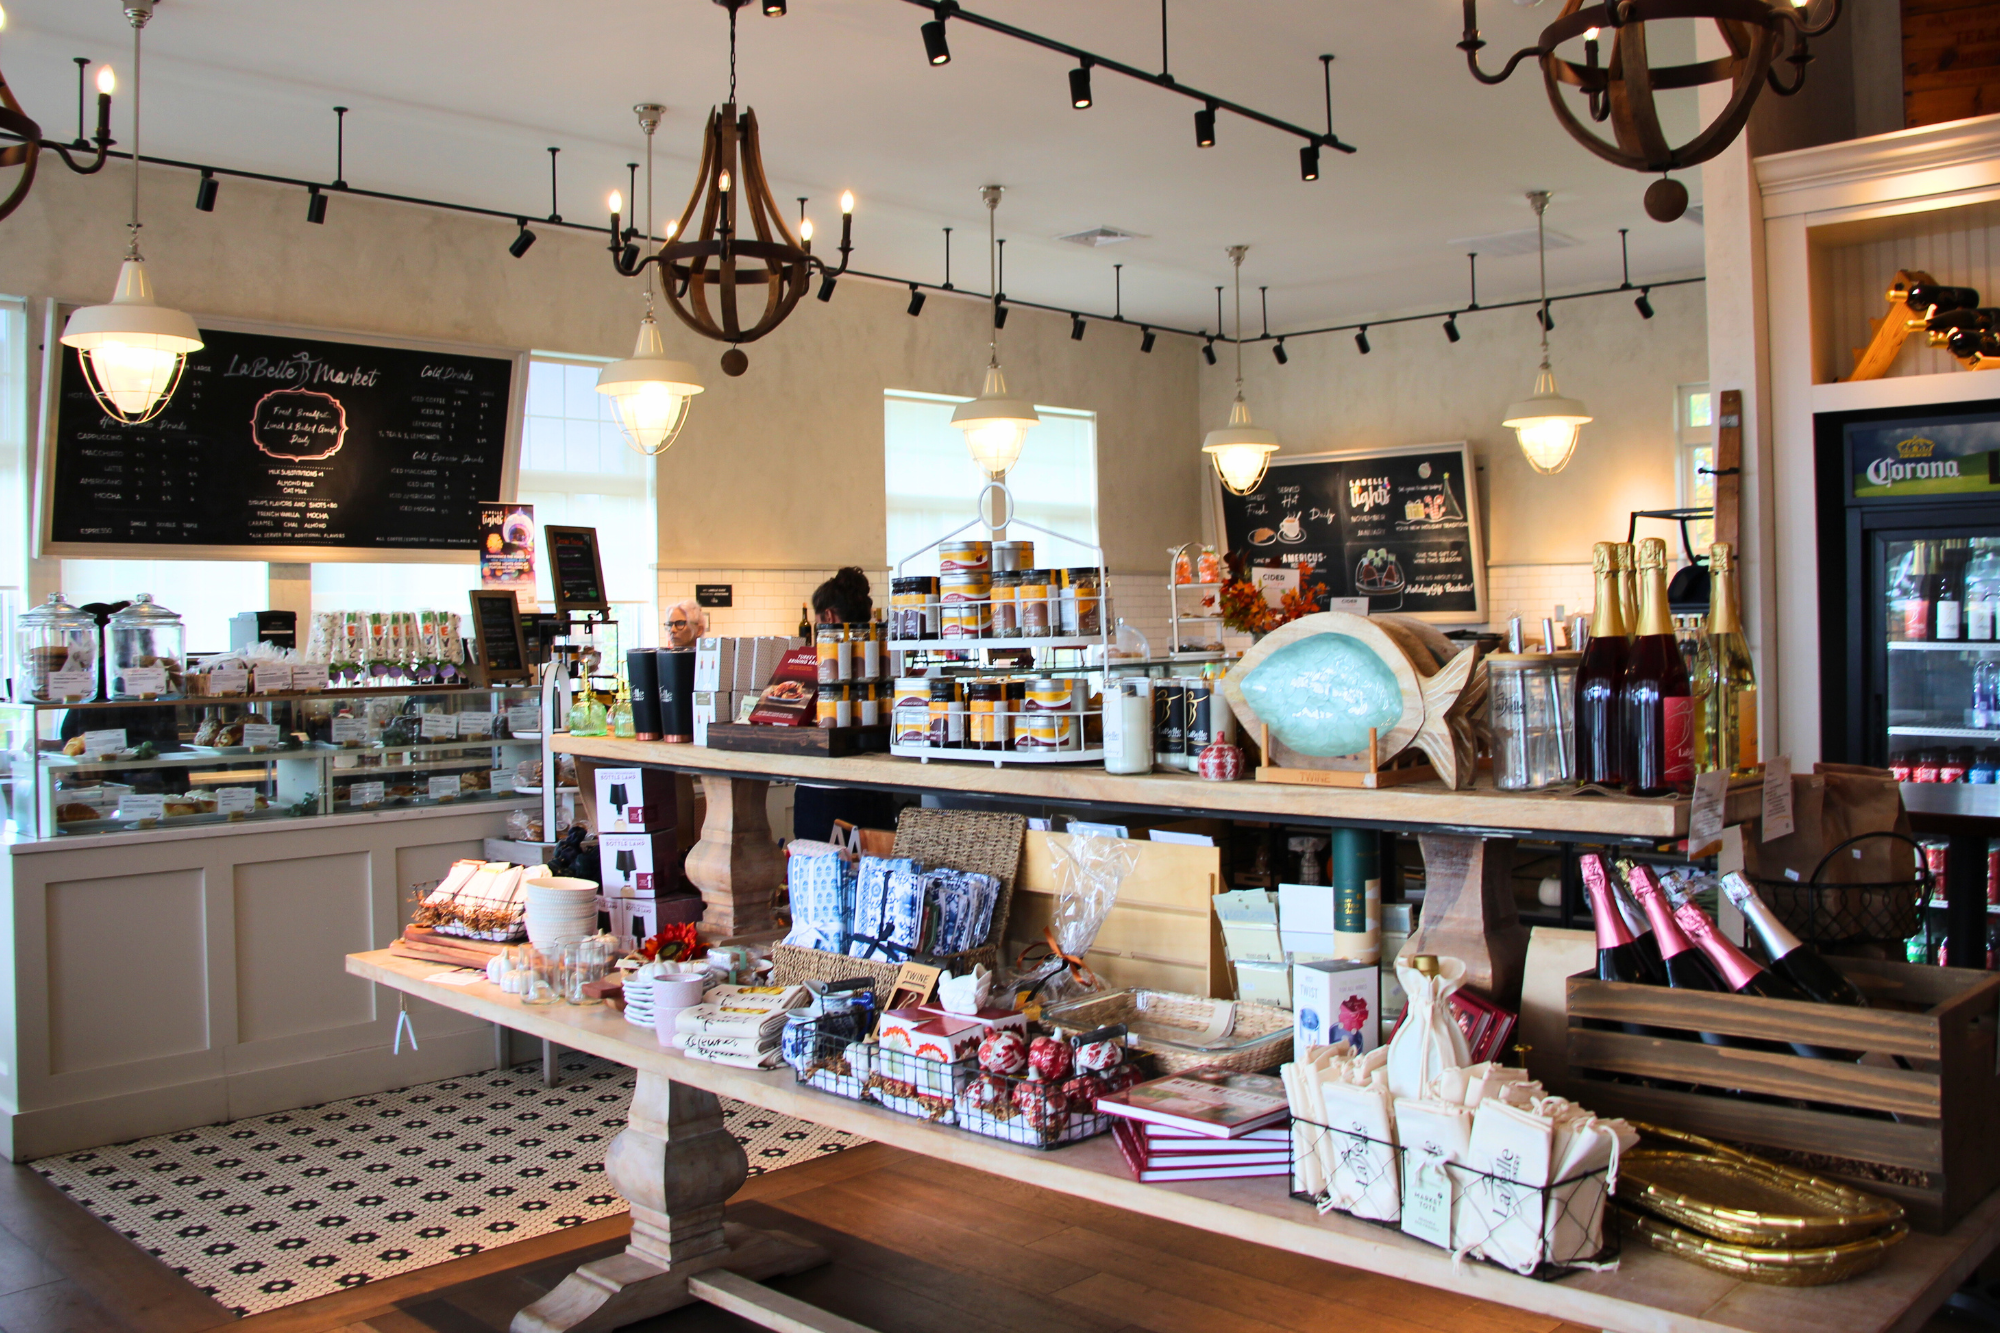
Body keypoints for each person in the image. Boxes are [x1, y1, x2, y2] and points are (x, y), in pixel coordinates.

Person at [792, 567, 896, 843]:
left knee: (821, 878)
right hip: (877, 787)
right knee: (873, 875)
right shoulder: (883, 652)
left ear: (827, 616)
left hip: (824, 791)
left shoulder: (819, 662)